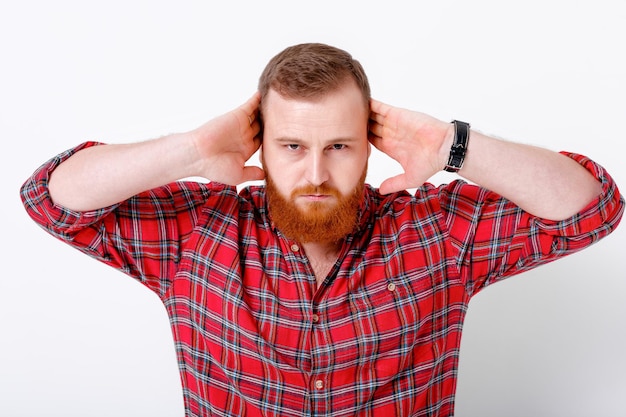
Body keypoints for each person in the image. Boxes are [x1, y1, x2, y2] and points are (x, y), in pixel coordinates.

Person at [21, 42, 624, 416]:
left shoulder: (435, 233)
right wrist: (192, 148)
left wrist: (448, 144)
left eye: (339, 145)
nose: (315, 172)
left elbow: (592, 209)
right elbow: (52, 199)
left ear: (370, 147)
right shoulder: (197, 232)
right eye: (291, 145)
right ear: (261, 142)